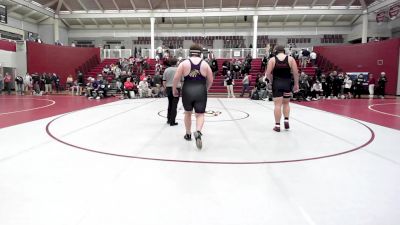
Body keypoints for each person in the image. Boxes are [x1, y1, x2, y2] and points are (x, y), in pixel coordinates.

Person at [172, 44, 214, 150]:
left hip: (187, 90)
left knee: (188, 113)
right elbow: (211, 80)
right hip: (200, 90)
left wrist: (174, 89)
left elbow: (176, 78)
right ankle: (198, 132)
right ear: (200, 53)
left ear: (189, 52)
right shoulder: (205, 64)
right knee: (200, 114)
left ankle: (188, 134)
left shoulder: (184, 63)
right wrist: (206, 89)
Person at [265, 45, 299, 132]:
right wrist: (296, 84)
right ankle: (286, 120)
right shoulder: (291, 59)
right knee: (286, 104)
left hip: (277, 84)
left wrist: (272, 81)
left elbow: (268, 74)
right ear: (284, 51)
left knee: (277, 105)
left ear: (275, 51)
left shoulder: (272, 60)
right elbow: (295, 73)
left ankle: (277, 126)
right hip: (287, 84)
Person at [163, 58, 181, 126]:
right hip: (176, 88)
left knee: (170, 104)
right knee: (174, 105)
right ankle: (172, 121)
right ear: (176, 63)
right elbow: (181, 80)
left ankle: (168, 119)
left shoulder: (166, 70)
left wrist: (166, 88)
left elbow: (164, 81)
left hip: (168, 88)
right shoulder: (178, 69)